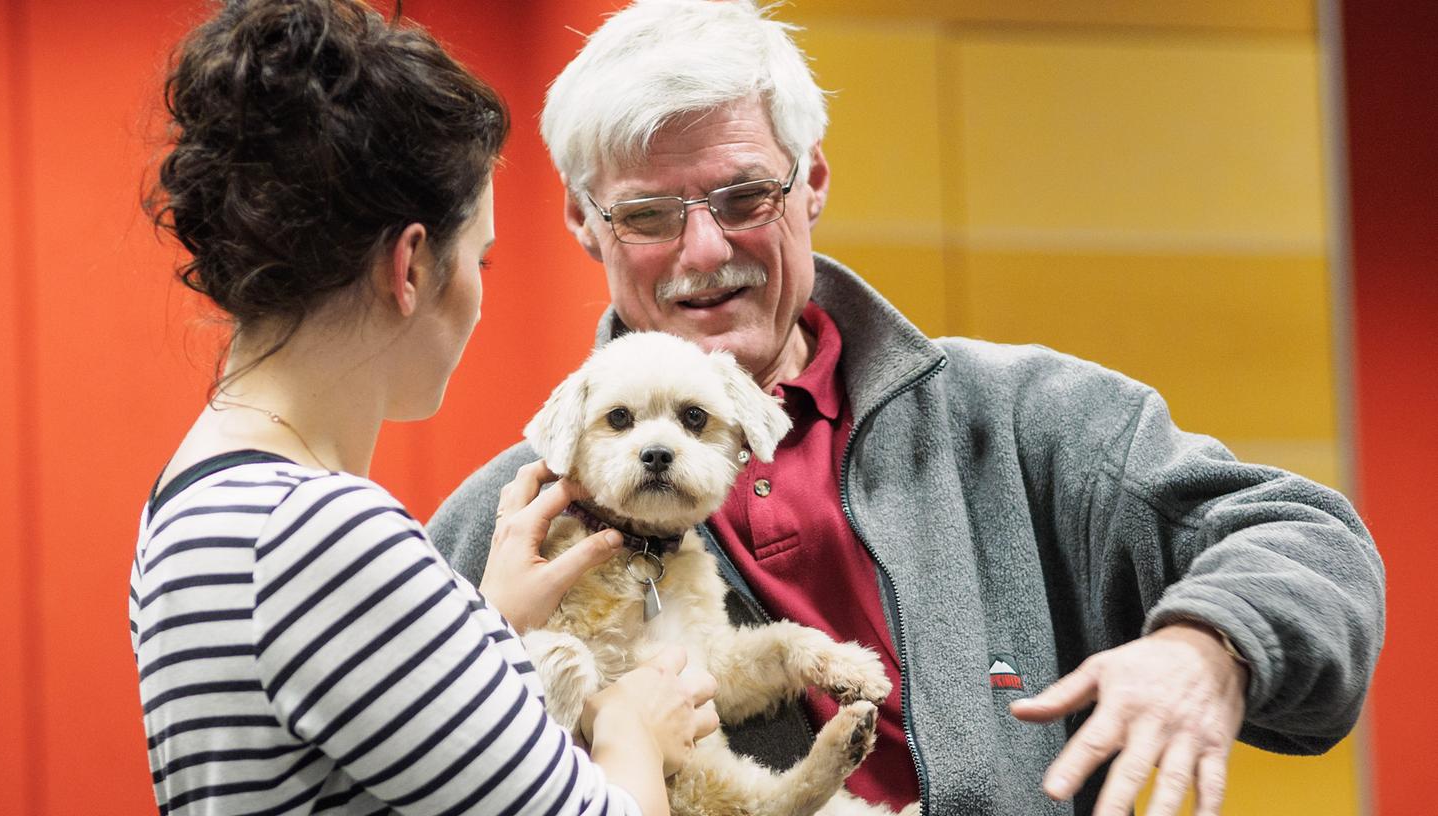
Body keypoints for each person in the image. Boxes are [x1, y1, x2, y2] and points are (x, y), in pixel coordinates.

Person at [427, 1, 1386, 815]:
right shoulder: (500, 527)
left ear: (812, 185)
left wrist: (1207, 644)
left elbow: (1305, 534)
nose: (704, 249)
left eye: (744, 195)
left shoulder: (1018, 418)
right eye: (646, 215)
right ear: (582, 225)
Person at [129, 1, 719, 814]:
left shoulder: (199, 494)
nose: (479, 294)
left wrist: (486, 630)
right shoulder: (320, 532)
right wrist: (630, 727)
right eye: (480, 256)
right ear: (409, 266)